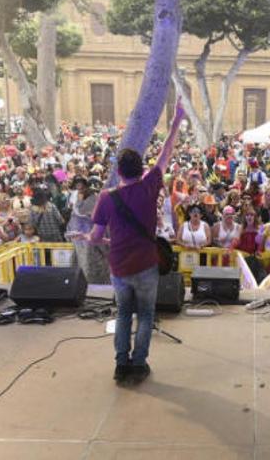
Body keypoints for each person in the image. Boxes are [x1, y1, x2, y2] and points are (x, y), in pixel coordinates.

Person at [88, 115, 179, 386]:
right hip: (146, 265)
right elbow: (166, 153)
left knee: (124, 313)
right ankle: (139, 364)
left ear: (119, 172)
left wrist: (101, 240)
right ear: (142, 170)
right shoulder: (150, 186)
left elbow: (95, 237)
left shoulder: (107, 197)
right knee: (146, 314)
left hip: (119, 267)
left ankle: (120, 364)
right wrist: (175, 123)